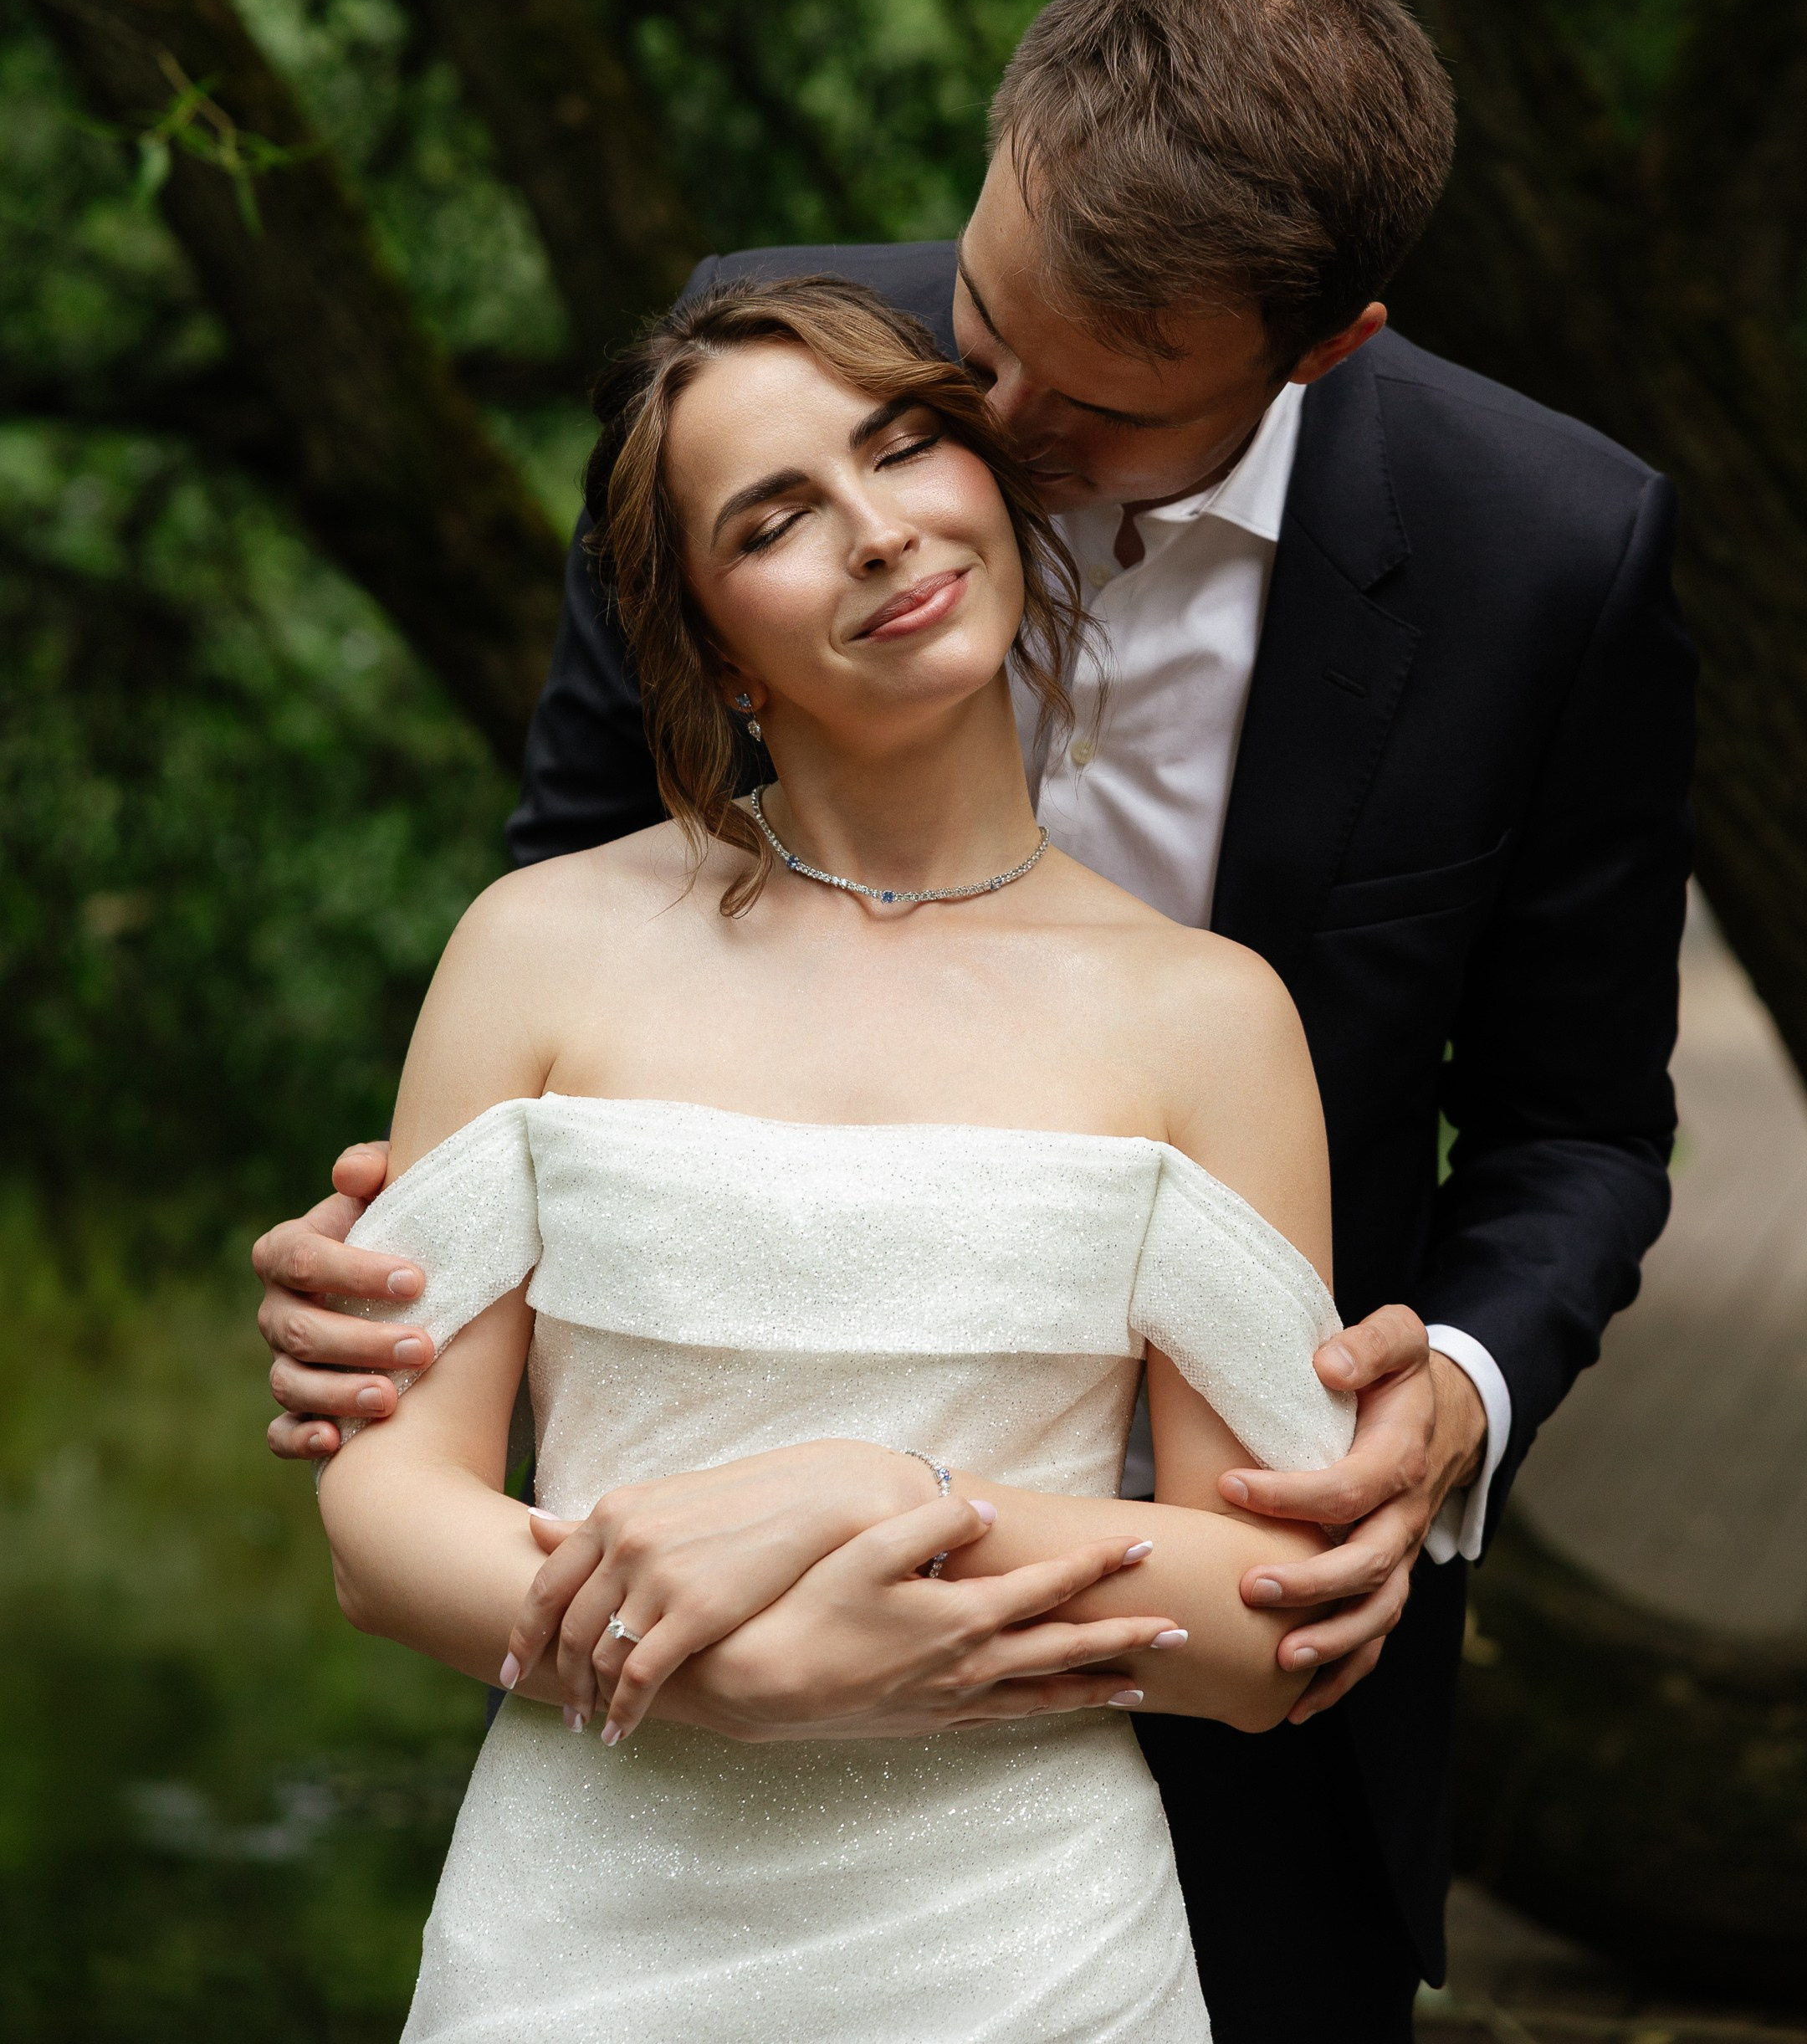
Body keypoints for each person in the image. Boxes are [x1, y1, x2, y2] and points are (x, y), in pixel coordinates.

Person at [258, 0, 1695, 2041]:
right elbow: (582, 912)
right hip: (640, 1737)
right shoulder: (786, 376)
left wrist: (1445, 1408)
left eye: (1083, 397)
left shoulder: (1543, 556)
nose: (979, 425)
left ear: (1315, 346)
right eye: (979, 326)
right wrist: (403, 1241)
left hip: (1194, 1722)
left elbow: (1576, 1118)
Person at [317, 274, 1361, 2041]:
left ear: (994, 484)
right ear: (717, 643)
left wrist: (890, 1500)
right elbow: (385, 1519)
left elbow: (1271, 1632)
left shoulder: (1213, 1019)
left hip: (1030, 1957)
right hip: (584, 1934)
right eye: (777, 518)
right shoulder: (537, 949)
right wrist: (724, 1680)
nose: (877, 534)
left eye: (904, 450)